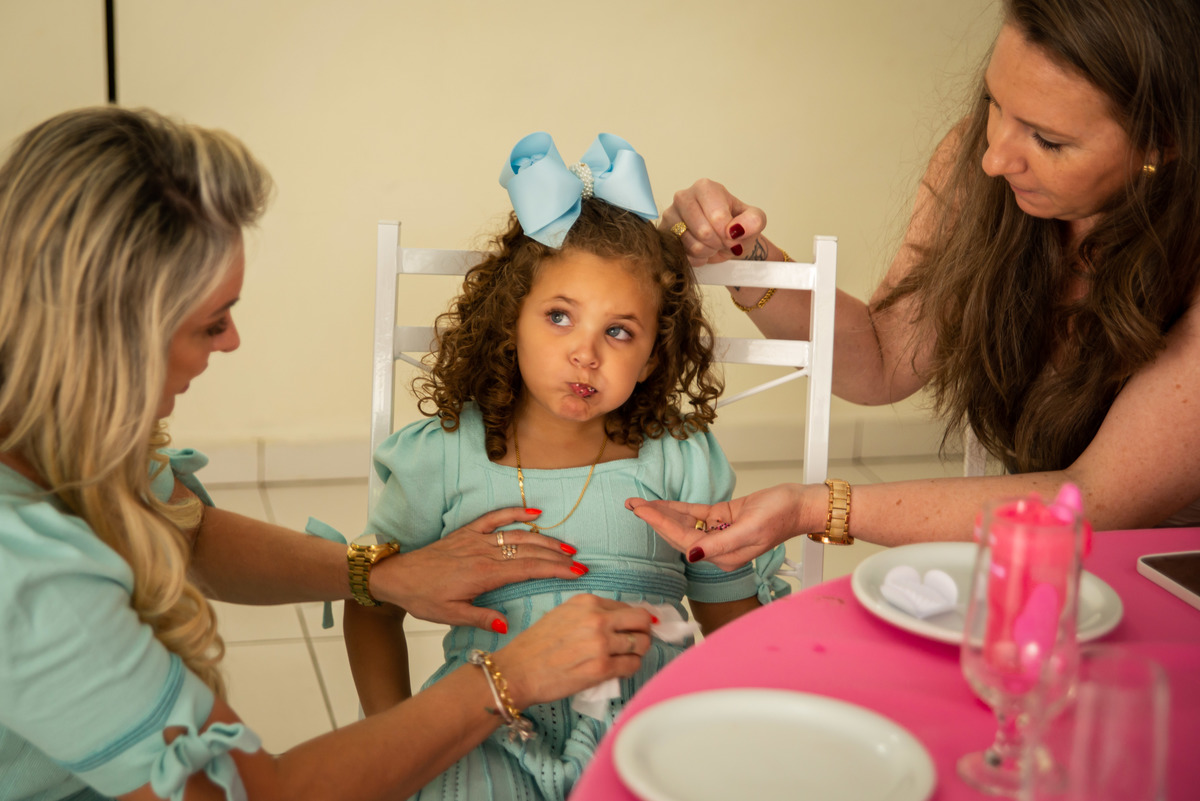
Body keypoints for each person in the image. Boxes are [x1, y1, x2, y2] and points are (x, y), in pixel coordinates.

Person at [0, 107, 653, 801]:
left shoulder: (48, 431)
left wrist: (372, 572)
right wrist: (506, 677)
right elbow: (255, 793)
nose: (232, 342)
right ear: (108, 339)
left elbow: (177, 526)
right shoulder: (30, 579)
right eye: (211, 321)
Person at [629, 0, 1200, 569]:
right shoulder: (976, 157)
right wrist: (743, 255)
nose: (994, 159)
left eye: (1047, 141)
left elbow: (1093, 501)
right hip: (1052, 570)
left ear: (1163, 143)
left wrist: (814, 509)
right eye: (993, 103)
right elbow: (880, 359)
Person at [346, 132, 784, 801]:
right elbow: (372, 601)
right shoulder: (442, 454)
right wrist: (397, 736)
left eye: (618, 331)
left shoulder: (678, 457)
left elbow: (729, 616)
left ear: (654, 352)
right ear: (509, 319)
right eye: (559, 317)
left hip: (648, 728)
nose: (586, 355)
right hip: (489, 725)